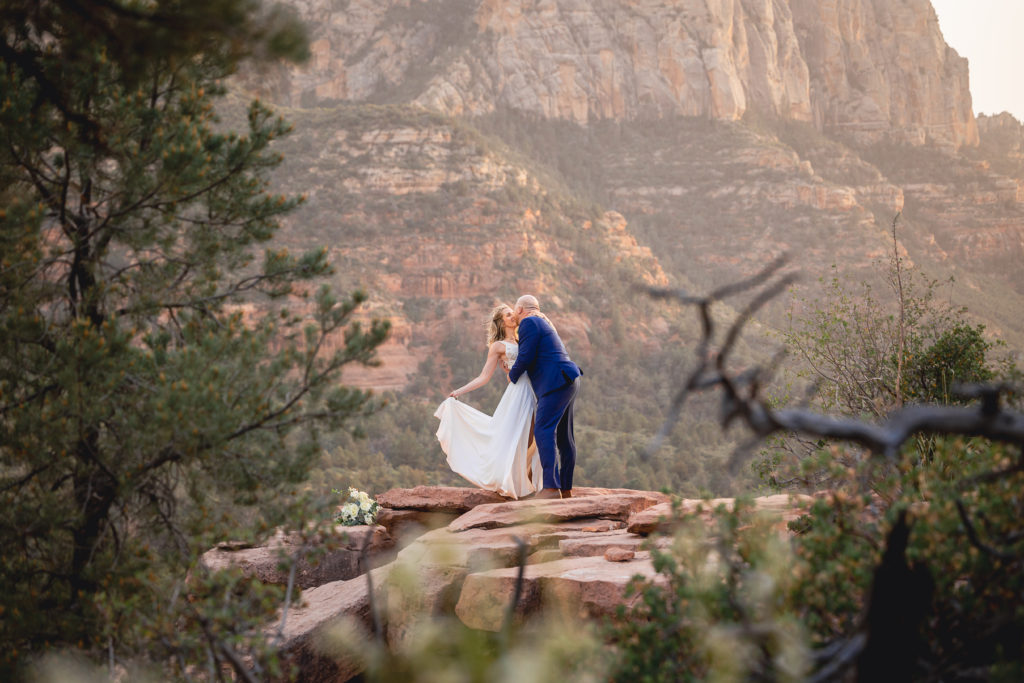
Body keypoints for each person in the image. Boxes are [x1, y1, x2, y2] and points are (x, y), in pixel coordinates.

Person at [434, 304, 541, 498]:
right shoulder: (498, 346)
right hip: (518, 395)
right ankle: (516, 483)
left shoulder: (523, 339)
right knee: (522, 439)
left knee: (536, 439)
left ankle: (530, 484)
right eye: (508, 315)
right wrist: (458, 391)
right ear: (501, 322)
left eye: (512, 313)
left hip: (534, 391)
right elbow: (484, 377)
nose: (512, 316)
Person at [507, 295, 581, 499]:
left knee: (543, 430)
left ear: (520, 309)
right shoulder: (543, 322)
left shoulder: (529, 322)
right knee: (566, 438)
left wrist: (511, 375)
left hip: (555, 382)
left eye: (514, 310)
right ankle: (565, 489)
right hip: (568, 378)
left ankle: (550, 488)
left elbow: (526, 356)